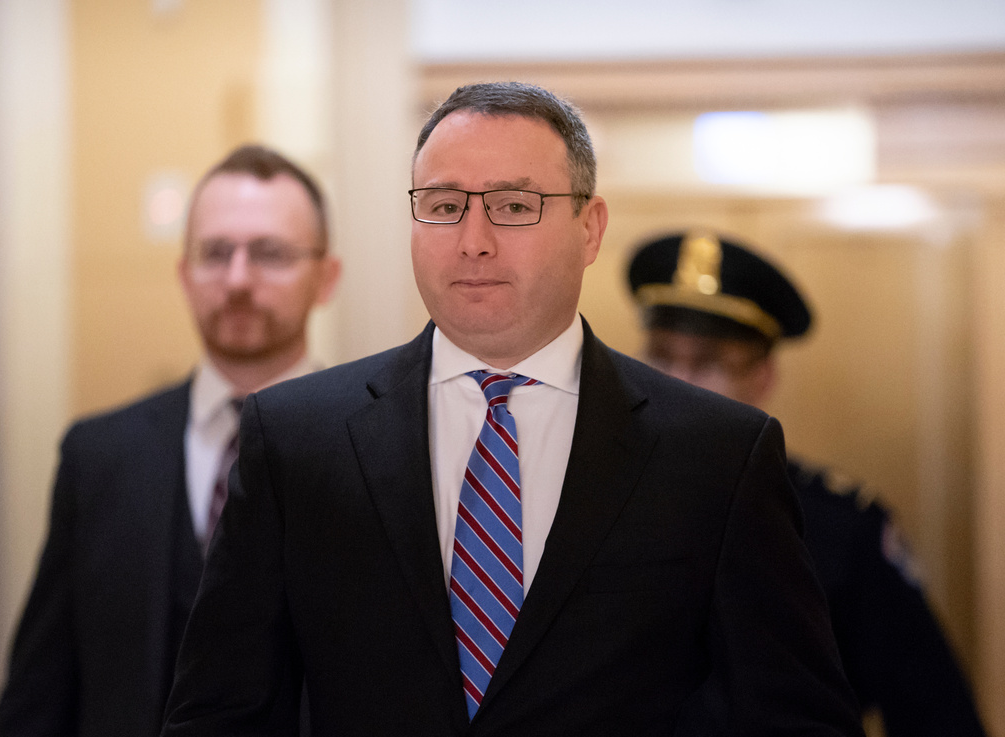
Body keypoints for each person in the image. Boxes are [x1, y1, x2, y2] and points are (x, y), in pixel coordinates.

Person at [161, 82, 864, 736]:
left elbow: (796, 718)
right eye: (443, 205)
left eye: (514, 205)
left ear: (590, 228)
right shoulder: (295, 439)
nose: (473, 238)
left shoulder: (717, 456)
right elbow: (223, 712)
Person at [0, 144, 341, 737]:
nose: (237, 279)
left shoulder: (377, 453)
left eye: (270, 253)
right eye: (214, 253)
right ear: (183, 273)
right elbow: (40, 693)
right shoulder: (98, 458)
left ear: (325, 277)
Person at [627, 229, 987, 737]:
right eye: (661, 357)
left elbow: (935, 711)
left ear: (764, 376)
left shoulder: (839, 526)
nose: (677, 384)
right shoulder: (592, 502)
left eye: (708, 363)